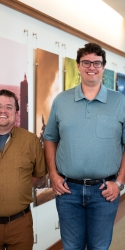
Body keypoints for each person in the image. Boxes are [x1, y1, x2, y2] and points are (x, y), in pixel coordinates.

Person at [43, 42, 125, 250]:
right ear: (78, 66)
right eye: (86, 62)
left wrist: (119, 183)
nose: (91, 67)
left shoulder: (121, 103)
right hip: (68, 190)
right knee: (71, 247)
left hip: (105, 190)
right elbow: (49, 138)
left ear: (103, 67)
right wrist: (53, 175)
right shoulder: (61, 101)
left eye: (96, 63)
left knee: (99, 247)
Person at [0, 89, 47, 250]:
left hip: (20, 224)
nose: (3, 111)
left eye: (8, 107)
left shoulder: (31, 141)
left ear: (16, 112)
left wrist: (19, 186)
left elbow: (39, 173)